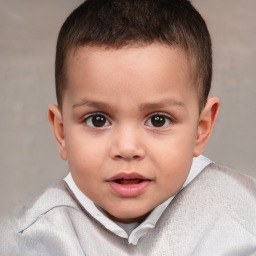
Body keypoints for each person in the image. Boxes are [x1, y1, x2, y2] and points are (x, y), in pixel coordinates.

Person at [1, 0, 256, 255]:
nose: (126, 148)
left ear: (201, 129)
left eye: (158, 120)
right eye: (98, 120)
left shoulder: (244, 220)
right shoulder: (31, 238)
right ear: (61, 132)